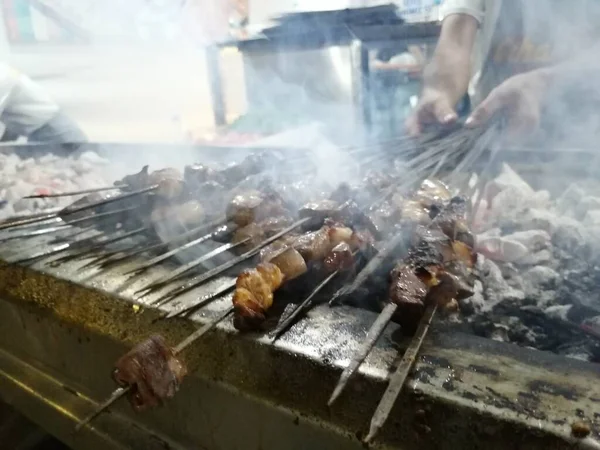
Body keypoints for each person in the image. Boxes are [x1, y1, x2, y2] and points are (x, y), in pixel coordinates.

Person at [406, 0, 600, 138]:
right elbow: (457, 35)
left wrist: (547, 82)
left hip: (584, 143)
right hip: (493, 139)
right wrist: (439, 91)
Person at [0, 63, 87, 144]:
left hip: (57, 134)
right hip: (44, 132)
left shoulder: (3, 77)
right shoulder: (4, 72)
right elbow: (14, 118)